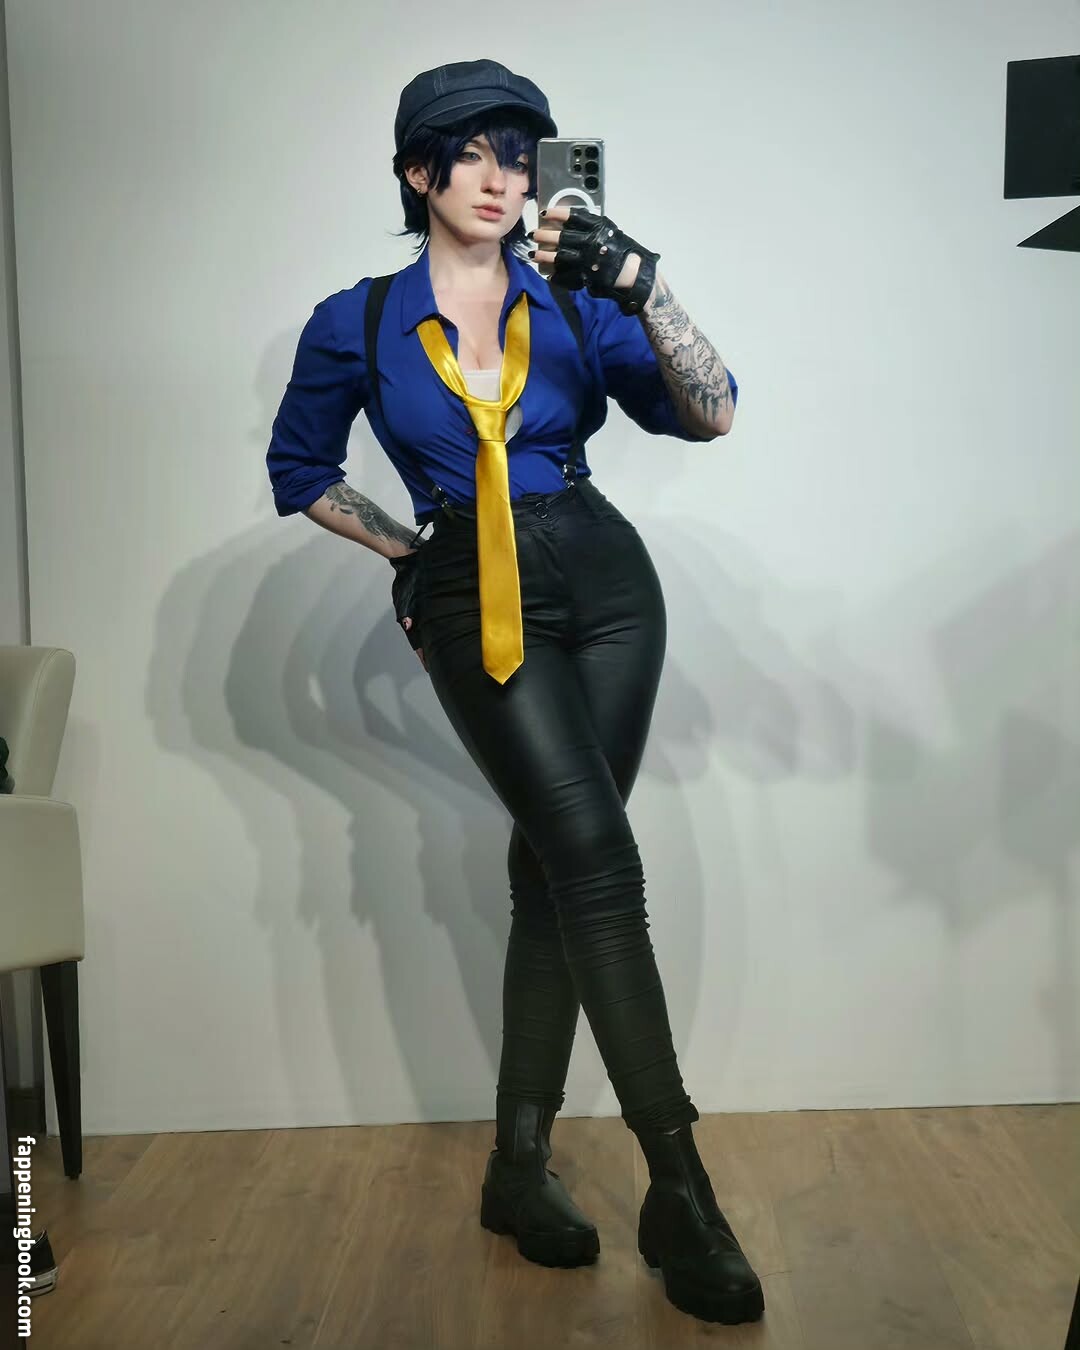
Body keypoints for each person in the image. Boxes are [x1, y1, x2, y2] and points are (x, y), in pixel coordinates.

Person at [266, 59, 763, 1327]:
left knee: (556, 868)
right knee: (598, 859)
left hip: (608, 585)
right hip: (472, 587)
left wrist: (647, 285)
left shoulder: (574, 293)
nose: (502, 179)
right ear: (418, 171)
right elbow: (300, 467)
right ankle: (682, 1190)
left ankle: (516, 1167)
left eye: (519, 156)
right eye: (474, 153)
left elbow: (712, 412)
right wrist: (410, 557)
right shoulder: (358, 321)